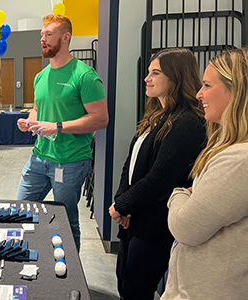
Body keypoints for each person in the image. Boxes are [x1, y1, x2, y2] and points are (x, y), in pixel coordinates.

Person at [108, 48, 206, 300]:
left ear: (176, 77)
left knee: (136, 288)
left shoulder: (187, 122)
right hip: (135, 216)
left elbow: (161, 179)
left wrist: (122, 204)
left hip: (156, 224)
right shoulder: (157, 115)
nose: (147, 78)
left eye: (155, 73)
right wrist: (123, 202)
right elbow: (131, 164)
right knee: (125, 282)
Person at [161, 48, 248, 300]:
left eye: (208, 85)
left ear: (237, 92)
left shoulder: (238, 160)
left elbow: (186, 227)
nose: (200, 94)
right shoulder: (228, 150)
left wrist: (179, 193)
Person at [16, 14, 108, 250]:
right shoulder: (41, 76)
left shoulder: (84, 76)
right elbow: (38, 108)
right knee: (20, 210)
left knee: (66, 221)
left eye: (48, 34)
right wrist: (30, 121)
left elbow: (100, 119)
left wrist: (57, 127)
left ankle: (70, 275)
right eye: (41, 35)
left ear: (66, 38)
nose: (42, 40)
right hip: (39, 158)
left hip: (70, 161)